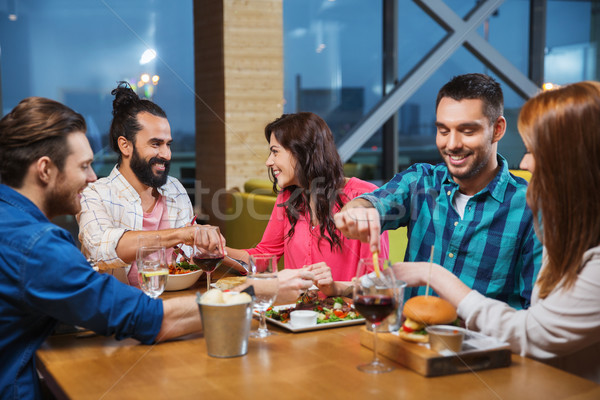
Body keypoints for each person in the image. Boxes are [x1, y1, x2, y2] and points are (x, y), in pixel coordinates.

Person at [393, 81, 600, 383]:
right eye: (443, 129)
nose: (526, 162)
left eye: (535, 150)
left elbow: (533, 332)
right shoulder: (570, 232)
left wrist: (433, 274)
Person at [0, 97, 203, 398]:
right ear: (44, 170)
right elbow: (146, 318)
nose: (92, 177)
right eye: (83, 166)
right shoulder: (37, 245)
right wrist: (253, 293)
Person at [334, 73, 542, 309]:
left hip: (484, 345)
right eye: (443, 131)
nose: (451, 144)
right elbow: (372, 203)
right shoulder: (420, 180)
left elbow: (533, 312)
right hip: (409, 340)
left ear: (497, 129)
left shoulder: (532, 206)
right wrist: (358, 212)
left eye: (467, 131)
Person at [77, 82, 242, 285]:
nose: (166, 154)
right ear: (125, 145)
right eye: (156, 144)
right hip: (118, 311)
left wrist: (204, 244)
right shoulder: (94, 194)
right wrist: (182, 234)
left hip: (174, 301)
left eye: (168, 144)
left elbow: (186, 260)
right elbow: (101, 250)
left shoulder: (175, 189)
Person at [226, 112, 389, 296]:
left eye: (275, 151)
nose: (268, 162)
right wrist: (216, 252)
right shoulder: (288, 197)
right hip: (296, 318)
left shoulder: (363, 198)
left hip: (345, 318)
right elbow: (263, 257)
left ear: (301, 152)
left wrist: (335, 288)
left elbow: (376, 282)